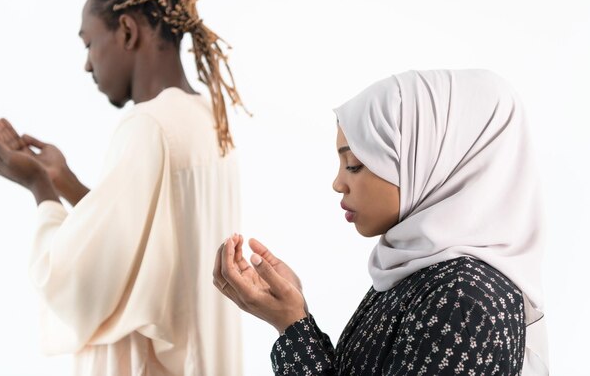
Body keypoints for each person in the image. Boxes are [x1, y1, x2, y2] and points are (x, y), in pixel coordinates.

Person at [0, 0, 246, 376]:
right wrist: (64, 180)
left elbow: (80, 284)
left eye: (89, 43)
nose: (88, 64)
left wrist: (39, 188)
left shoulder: (148, 125)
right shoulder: (208, 117)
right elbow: (148, 241)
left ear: (126, 30)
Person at [214, 69, 548, 375]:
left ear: (428, 160)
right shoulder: (422, 273)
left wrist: (291, 323)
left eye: (355, 164)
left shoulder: (463, 300)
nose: (338, 182)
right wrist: (292, 316)